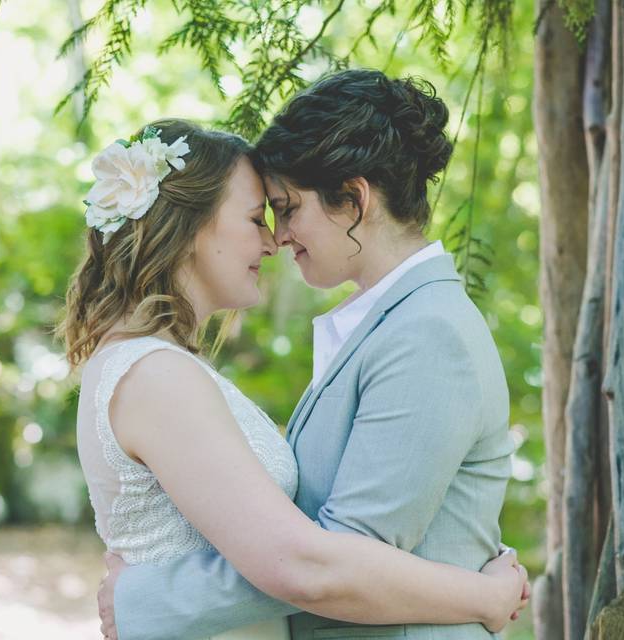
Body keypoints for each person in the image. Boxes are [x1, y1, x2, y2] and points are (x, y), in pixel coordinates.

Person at [61, 109, 528, 640]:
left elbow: (317, 556)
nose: (272, 240)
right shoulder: (155, 373)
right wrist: (484, 594)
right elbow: (303, 564)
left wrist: (144, 600)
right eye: (258, 216)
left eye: (282, 212)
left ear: (355, 200)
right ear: (190, 227)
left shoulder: (426, 332)